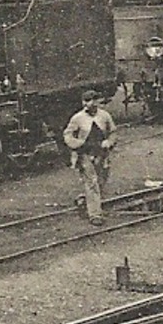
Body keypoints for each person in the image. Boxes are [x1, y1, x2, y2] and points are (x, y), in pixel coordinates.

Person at [63, 89, 116, 225]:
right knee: (91, 182)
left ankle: (84, 200)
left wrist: (109, 142)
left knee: (101, 180)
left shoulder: (104, 116)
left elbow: (113, 132)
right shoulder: (77, 118)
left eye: (92, 100)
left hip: (102, 154)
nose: (89, 104)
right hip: (85, 154)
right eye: (86, 101)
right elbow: (68, 134)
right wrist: (77, 144)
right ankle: (95, 215)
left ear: (97, 101)